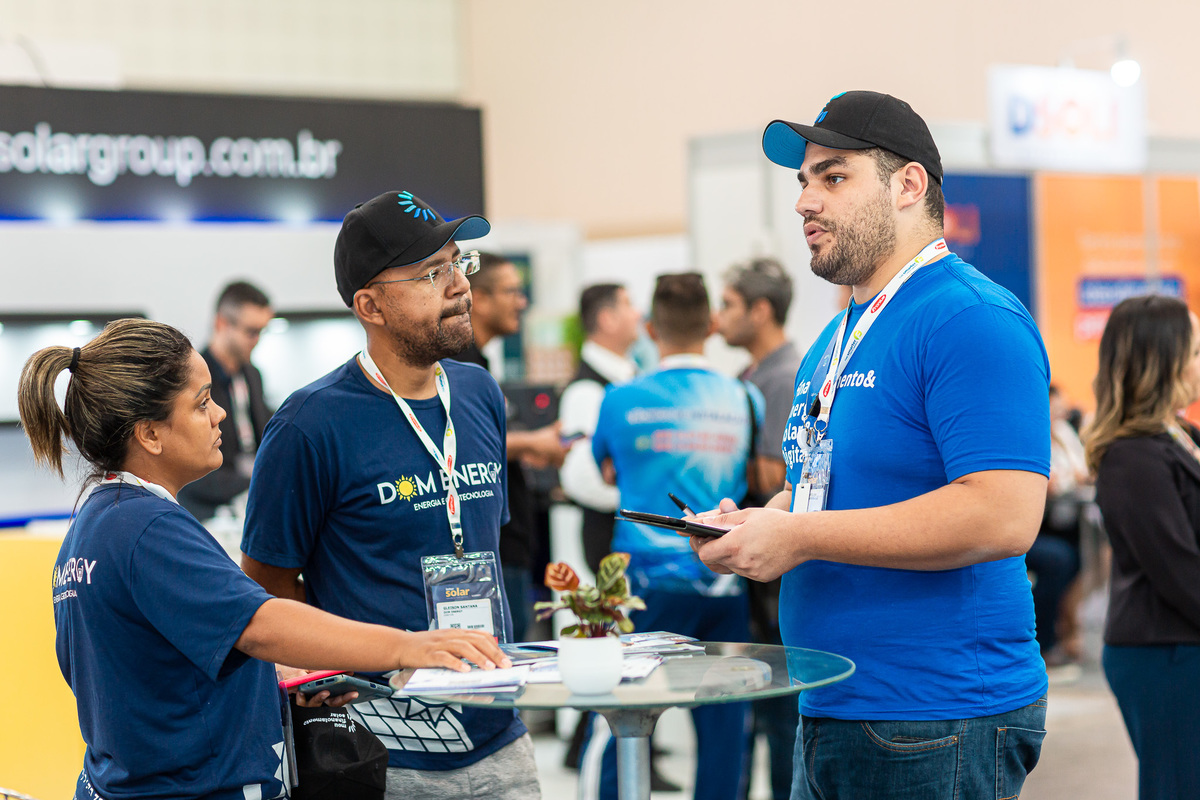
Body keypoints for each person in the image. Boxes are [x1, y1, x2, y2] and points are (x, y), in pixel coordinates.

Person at [692, 90, 1051, 799]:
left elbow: (1004, 516)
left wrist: (799, 537)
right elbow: (823, 488)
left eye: (834, 177)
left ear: (908, 185)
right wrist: (759, 523)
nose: (805, 201)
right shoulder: (836, 338)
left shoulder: (970, 318)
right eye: (804, 181)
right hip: (831, 701)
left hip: (937, 713)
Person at [20, 318, 510, 800]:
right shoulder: (145, 527)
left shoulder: (97, 524)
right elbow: (260, 623)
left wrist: (271, 681)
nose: (220, 415)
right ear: (150, 434)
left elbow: (152, 678)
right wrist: (409, 647)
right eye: (201, 403)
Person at [240, 191, 543, 799]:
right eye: (431, 273)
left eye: (458, 263)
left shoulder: (480, 394)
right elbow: (267, 583)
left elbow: (475, 542)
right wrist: (321, 667)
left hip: (498, 730)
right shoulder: (309, 425)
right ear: (370, 305)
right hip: (377, 750)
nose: (459, 285)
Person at [580, 272, 762, 800]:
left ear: (651, 329)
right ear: (710, 325)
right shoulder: (744, 396)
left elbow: (605, 471)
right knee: (725, 728)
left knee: (619, 716)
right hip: (723, 578)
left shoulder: (618, 398)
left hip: (638, 583)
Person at [1083, 294, 1200, 799]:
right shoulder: (1133, 457)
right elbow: (1180, 572)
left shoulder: (1180, 435)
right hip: (1164, 652)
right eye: (1195, 352)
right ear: (1163, 361)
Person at [715, 256, 803, 800]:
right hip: (752, 568)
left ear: (761, 310)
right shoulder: (750, 376)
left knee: (781, 713)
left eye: (728, 305)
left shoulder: (782, 377)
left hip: (777, 572)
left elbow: (778, 476)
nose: (718, 316)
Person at [451, 251, 569, 641]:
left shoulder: (479, 364)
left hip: (508, 544)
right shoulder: (458, 365)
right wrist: (532, 442)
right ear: (480, 298)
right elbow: (460, 443)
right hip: (489, 550)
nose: (521, 302)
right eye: (512, 292)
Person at [559, 283, 642, 575]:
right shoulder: (586, 391)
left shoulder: (629, 377)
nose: (638, 314)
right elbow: (580, 479)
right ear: (608, 319)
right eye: (629, 305)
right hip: (613, 550)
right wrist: (647, 500)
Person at [177, 280, 274, 522]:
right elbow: (189, 464)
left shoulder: (253, 375)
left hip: (249, 501)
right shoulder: (190, 380)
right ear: (221, 323)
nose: (257, 340)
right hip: (208, 511)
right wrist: (257, 481)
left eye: (262, 331)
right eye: (251, 331)